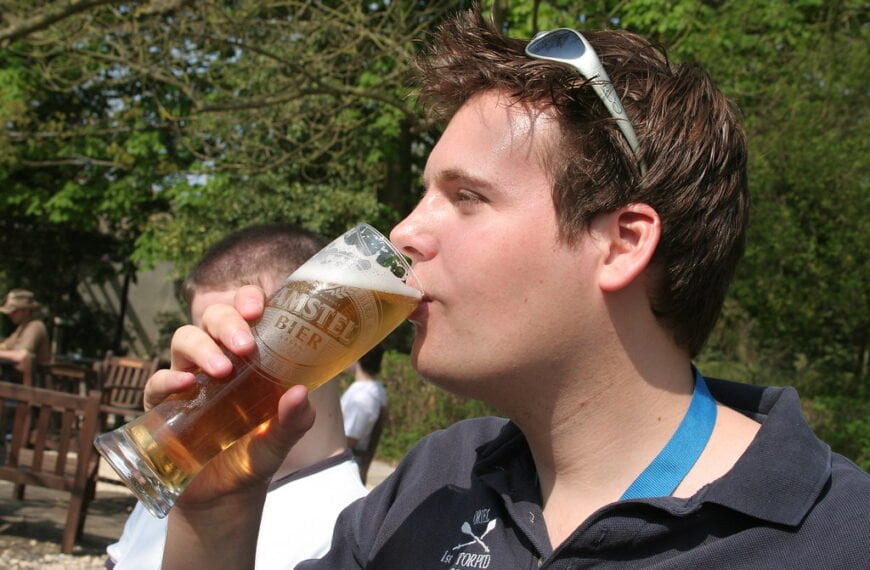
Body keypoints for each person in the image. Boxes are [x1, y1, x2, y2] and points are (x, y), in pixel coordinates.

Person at [150, 8, 868, 569]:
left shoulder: (837, 538)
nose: (403, 232)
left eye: (466, 197)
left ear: (622, 244)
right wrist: (216, 512)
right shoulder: (439, 479)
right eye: (424, 193)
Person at [105, 223, 367, 570]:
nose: (217, 365)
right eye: (209, 337)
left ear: (335, 338)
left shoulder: (352, 538)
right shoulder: (185, 476)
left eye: (249, 333)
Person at [341, 345, 387, 482]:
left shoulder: (362, 396)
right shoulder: (375, 389)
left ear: (359, 357)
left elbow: (350, 439)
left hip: (346, 472)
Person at [0, 289, 51, 383]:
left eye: (14, 311)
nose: (10, 314)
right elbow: (4, 347)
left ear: (26, 311)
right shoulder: (21, 329)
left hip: (35, 387)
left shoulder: (35, 326)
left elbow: (24, 356)